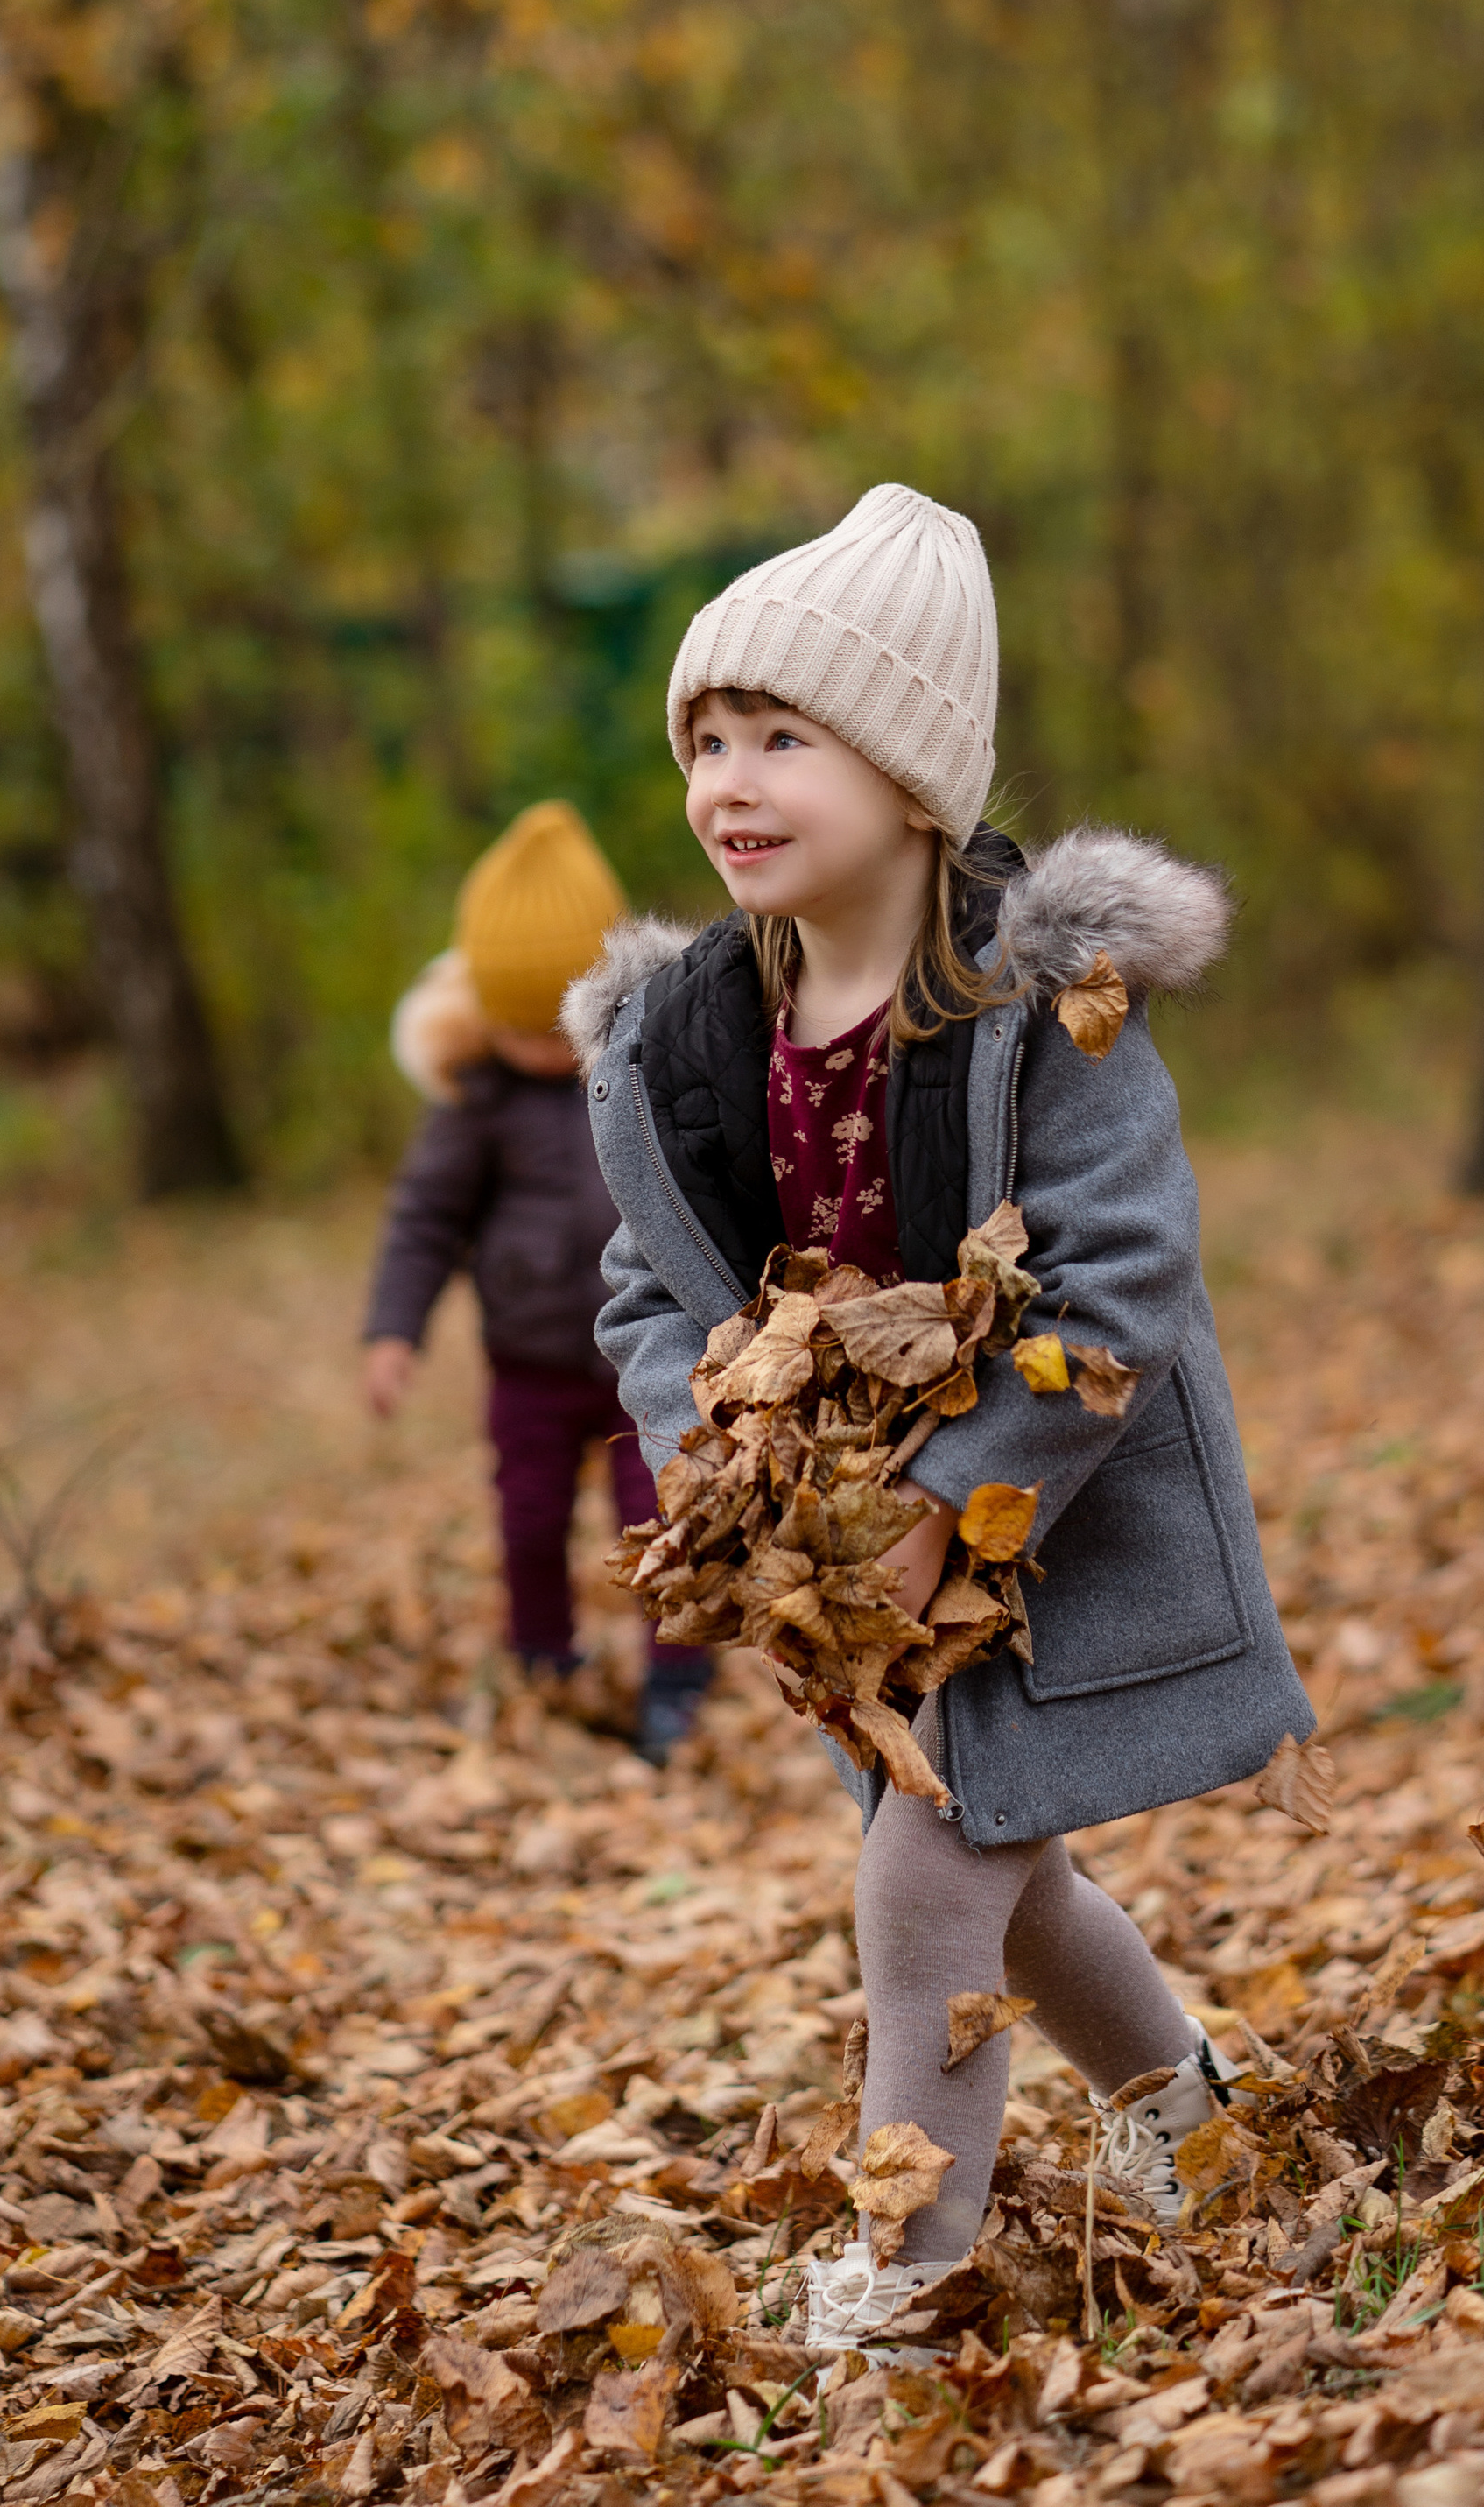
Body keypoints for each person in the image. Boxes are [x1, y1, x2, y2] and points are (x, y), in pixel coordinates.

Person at [560, 485, 1315, 2353]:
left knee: (925, 1885)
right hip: (841, 1558)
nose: (728, 780)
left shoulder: (1034, 1010)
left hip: (1048, 1519)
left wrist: (951, 1506)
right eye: (705, 740)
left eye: (781, 737)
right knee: (1007, 1868)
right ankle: (1200, 2137)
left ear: (910, 781)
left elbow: (1117, 1281)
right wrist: (718, 1459)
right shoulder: (683, 1047)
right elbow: (650, 1293)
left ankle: (912, 2285)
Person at [362, 799, 715, 1766]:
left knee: (660, 1515)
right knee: (528, 1518)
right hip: (526, 1366)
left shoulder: (645, 1073)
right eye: (514, 1027)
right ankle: (541, 1657)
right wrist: (394, 1331)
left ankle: (675, 1677)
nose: (536, 1048)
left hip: (638, 1355)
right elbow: (424, 1221)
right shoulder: (473, 1105)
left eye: (549, 1022)